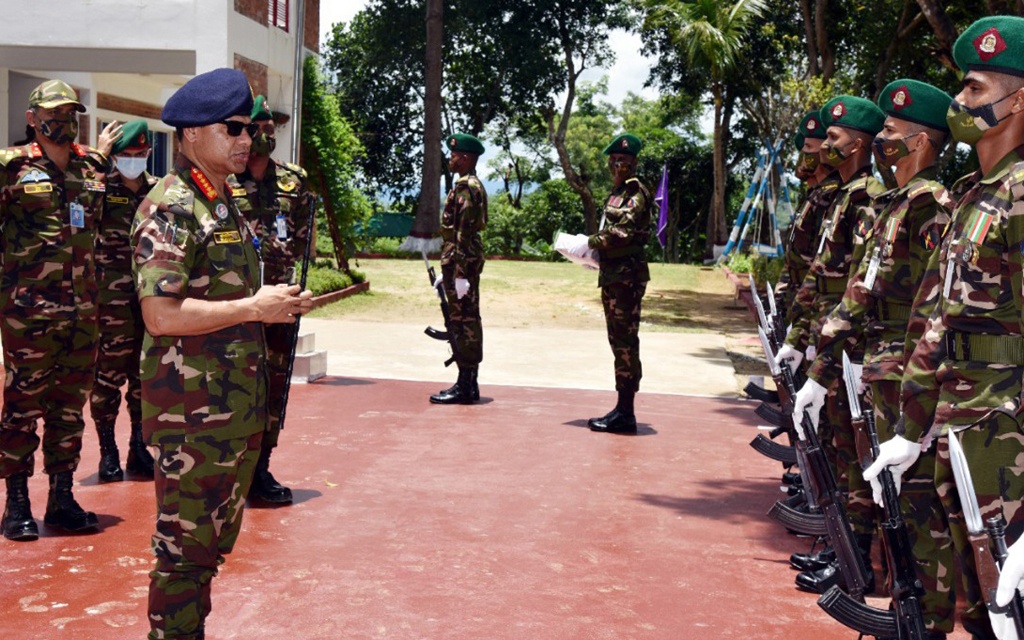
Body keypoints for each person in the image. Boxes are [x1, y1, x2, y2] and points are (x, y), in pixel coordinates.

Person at [132, 68, 312, 639]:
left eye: (249, 129)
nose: (246, 139)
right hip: (191, 417)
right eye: (232, 128)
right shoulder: (172, 206)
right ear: (189, 135)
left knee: (206, 551)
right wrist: (255, 308)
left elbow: (227, 298)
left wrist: (273, 304)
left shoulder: (222, 201)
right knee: (184, 556)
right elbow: (161, 315)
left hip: (227, 412)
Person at [865, 16, 1024, 639]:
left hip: (1008, 430)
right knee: (981, 602)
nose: (958, 105)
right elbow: (934, 321)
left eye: (976, 91)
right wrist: (910, 428)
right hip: (960, 425)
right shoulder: (972, 194)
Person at [794, 79, 956, 637]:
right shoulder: (895, 203)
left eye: (890, 130)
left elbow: (931, 302)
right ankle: (900, 599)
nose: (882, 137)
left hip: (904, 366)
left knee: (916, 506)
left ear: (918, 141)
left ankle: (926, 617)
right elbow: (858, 283)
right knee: (893, 495)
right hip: (879, 361)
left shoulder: (931, 205)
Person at [776, 95, 887, 593]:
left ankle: (856, 563)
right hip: (829, 336)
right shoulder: (846, 194)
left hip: (849, 342)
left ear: (856, 143)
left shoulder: (866, 196)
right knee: (842, 453)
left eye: (834, 137)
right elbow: (819, 272)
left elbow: (854, 282)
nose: (825, 147)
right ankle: (845, 553)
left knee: (853, 458)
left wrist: (815, 337)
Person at [0, 79, 112, 541]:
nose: (62, 121)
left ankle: (62, 497)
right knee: (22, 407)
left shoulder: (91, 168)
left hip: (83, 314)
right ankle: (17, 502)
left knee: (69, 408)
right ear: (32, 118)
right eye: (53, 113)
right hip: (28, 315)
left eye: (70, 113)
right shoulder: (10, 168)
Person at [228, 95, 314, 503]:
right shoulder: (224, 181)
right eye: (255, 126)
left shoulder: (292, 181)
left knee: (274, 385)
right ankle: (231, 467)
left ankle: (261, 467)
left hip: (280, 304)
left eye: (268, 127)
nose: (262, 134)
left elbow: (300, 240)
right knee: (234, 385)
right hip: (236, 305)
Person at [91, 119, 158, 483]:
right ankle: (107, 451)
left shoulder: (158, 190)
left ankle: (137, 446)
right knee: (107, 378)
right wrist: (100, 159)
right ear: (115, 156)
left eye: (140, 154)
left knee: (143, 377)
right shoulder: (99, 185)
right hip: (111, 300)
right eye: (126, 155)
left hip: (148, 297)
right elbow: (79, 196)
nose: (134, 160)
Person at [579, 133, 652, 434]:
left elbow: (621, 232)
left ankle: (626, 413)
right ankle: (622, 409)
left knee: (624, 343)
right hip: (613, 274)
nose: (617, 166)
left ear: (633, 163)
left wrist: (587, 242)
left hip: (627, 276)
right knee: (618, 341)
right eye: (614, 161)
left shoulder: (636, 194)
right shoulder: (617, 193)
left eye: (623, 161)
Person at [429, 133, 488, 405]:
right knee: (466, 319)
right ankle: (469, 383)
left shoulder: (466, 188)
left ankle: (465, 385)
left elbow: (463, 233)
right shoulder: (470, 185)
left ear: (465, 158)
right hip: (459, 259)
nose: (450, 159)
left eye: (454, 155)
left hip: (461, 261)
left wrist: (460, 274)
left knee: (463, 322)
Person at [777, 110, 836, 320]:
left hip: (814, 309)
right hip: (797, 300)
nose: (802, 155)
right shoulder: (813, 197)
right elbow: (794, 259)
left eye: (809, 148)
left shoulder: (832, 197)